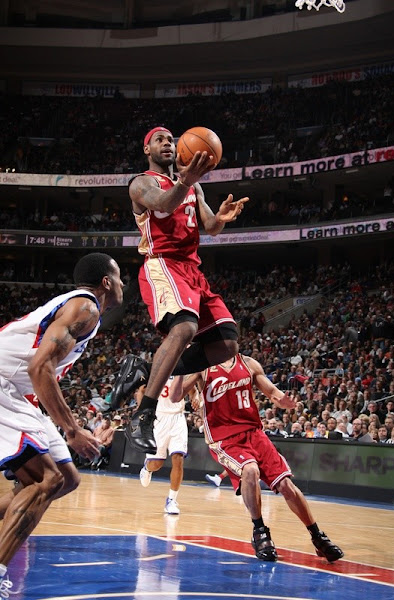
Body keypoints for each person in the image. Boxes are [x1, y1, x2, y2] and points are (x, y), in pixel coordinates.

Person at [114, 126, 249, 453]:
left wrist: (221, 218)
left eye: (170, 140)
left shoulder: (193, 186)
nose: (167, 144)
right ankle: (143, 415)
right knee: (185, 327)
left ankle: (143, 370)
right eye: (159, 140)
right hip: (163, 263)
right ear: (147, 149)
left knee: (227, 344)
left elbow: (209, 226)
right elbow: (162, 202)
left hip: (192, 269)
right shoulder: (141, 183)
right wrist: (185, 182)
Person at [0, 252, 124, 591]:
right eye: (120, 277)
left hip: (19, 392)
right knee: (47, 479)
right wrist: (72, 430)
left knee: (67, 478)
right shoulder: (85, 308)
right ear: (106, 282)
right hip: (4, 384)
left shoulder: (84, 311)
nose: (123, 284)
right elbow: (39, 368)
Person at [183, 354, 344, 563]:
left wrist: (283, 401)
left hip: (255, 433)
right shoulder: (203, 365)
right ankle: (259, 531)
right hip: (224, 437)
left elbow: (272, 392)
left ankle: (317, 536)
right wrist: (187, 374)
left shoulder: (248, 363)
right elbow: (177, 395)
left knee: (286, 485)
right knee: (250, 470)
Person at [139, 376, 190, 515]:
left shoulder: (183, 370)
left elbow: (192, 388)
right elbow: (141, 390)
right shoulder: (156, 369)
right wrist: (142, 413)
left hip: (178, 417)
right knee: (156, 464)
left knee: (178, 458)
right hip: (159, 417)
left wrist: (196, 397)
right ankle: (147, 468)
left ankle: (172, 500)